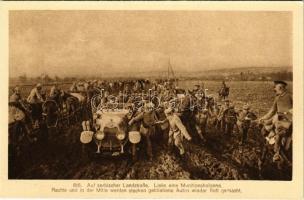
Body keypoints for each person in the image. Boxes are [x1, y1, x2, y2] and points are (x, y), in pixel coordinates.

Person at [259, 80, 292, 161]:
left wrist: (286, 113)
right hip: (277, 121)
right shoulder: (277, 98)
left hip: (288, 122)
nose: (274, 89)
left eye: (275, 87)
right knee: (263, 130)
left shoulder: (290, 96)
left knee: (279, 136)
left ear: (280, 88)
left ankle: (277, 154)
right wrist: (263, 118)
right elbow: (272, 111)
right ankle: (268, 149)